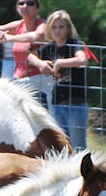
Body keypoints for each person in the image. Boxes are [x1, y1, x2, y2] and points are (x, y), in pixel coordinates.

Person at [28, 10, 89, 148]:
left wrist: (60, 63)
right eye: (54, 27)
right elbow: (30, 56)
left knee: (78, 142)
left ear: (68, 28)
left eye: (61, 27)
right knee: (62, 142)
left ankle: (83, 168)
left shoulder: (75, 44)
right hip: (57, 101)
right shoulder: (49, 48)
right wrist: (40, 63)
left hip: (77, 101)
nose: (57, 31)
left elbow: (82, 60)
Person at [0, 0, 47, 82]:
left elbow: (36, 36)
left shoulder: (43, 24)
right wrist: (0, 37)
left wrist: (10, 38)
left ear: (37, 8)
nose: (25, 6)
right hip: (18, 79)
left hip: (40, 80)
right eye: (21, 3)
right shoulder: (18, 25)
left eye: (30, 3)